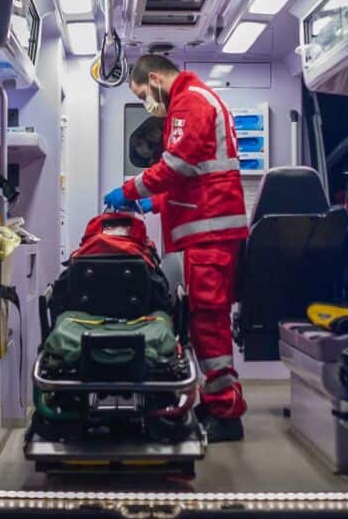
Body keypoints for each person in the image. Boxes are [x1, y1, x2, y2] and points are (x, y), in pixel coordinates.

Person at [104, 55, 250, 442]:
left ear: (154, 78)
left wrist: (131, 189)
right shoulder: (200, 100)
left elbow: (176, 166)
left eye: (143, 94)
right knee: (206, 321)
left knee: (208, 321)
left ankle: (226, 413)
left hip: (210, 230)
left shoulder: (190, 101)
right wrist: (151, 203)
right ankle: (218, 398)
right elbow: (194, 175)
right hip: (208, 227)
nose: (149, 103)